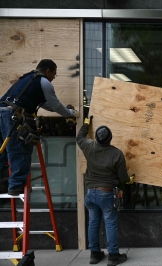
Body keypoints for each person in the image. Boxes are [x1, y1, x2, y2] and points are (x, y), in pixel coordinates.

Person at [0, 59, 76, 195]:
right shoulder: (44, 82)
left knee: (3, 149)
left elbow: (48, 105)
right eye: (54, 74)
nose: (53, 78)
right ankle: (15, 186)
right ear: (48, 71)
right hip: (13, 116)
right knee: (20, 149)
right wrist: (70, 113)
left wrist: (62, 110)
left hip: (2, 113)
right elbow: (55, 105)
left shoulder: (26, 78)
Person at [77, 117, 129, 266]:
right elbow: (123, 178)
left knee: (93, 222)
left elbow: (79, 137)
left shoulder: (89, 147)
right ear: (110, 138)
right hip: (106, 194)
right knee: (110, 223)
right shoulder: (117, 153)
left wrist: (86, 124)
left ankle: (94, 254)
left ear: (97, 139)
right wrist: (129, 179)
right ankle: (113, 256)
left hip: (90, 194)